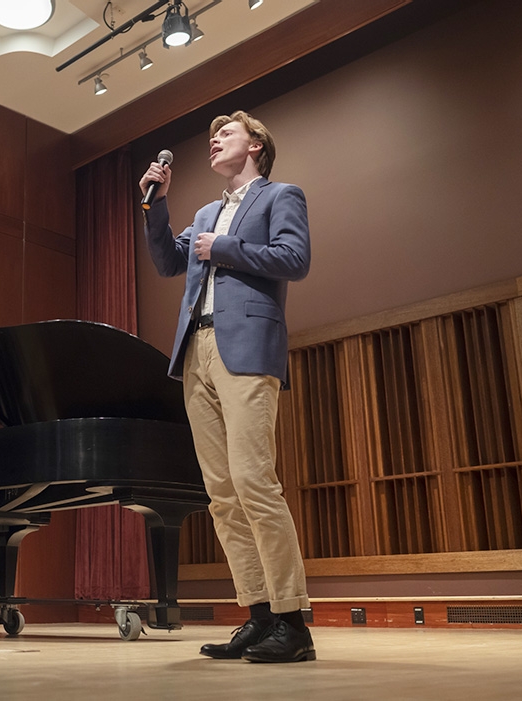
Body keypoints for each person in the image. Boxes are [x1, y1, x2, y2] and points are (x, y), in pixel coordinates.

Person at [139, 111, 315, 663]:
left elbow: (295, 259)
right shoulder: (206, 211)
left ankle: (294, 622)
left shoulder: (282, 195)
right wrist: (155, 203)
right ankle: (259, 616)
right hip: (197, 353)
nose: (214, 141)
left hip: (247, 348)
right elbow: (169, 260)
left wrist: (224, 248)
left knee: (254, 481)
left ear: (256, 144)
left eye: (227, 134)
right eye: (212, 137)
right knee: (220, 494)